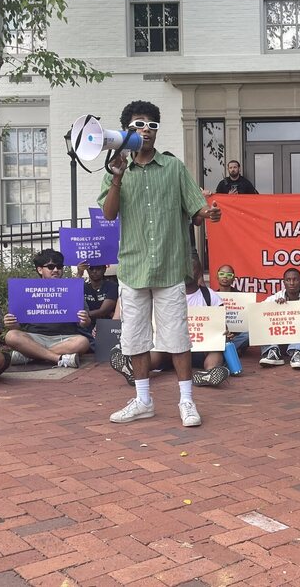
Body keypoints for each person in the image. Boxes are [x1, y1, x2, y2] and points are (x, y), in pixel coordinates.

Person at [101, 99, 221, 428]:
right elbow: (109, 214)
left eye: (152, 125)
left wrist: (207, 213)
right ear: (128, 131)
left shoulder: (173, 167)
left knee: (176, 338)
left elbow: (195, 209)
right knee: (136, 338)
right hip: (134, 268)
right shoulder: (117, 169)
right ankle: (143, 400)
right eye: (139, 125)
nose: (147, 131)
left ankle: (186, 401)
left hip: (170, 268)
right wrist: (116, 177)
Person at [3, 249, 91, 368]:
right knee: (11, 335)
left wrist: (85, 320)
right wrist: (11, 323)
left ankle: (29, 355)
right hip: (34, 338)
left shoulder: (72, 289)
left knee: (82, 342)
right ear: (40, 269)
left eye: (59, 266)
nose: (55, 270)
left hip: (64, 338)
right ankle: (57, 358)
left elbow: (85, 323)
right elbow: (18, 327)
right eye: (50, 267)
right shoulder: (26, 291)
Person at [150, 259, 231, 387]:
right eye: (184, 270)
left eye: (191, 270)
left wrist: (224, 330)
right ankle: (136, 371)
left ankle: (209, 374)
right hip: (172, 349)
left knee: (216, 352)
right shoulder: (169, 296)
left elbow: (221, 322)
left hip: (201, 348)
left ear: (199, 273)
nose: (187, 274)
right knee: (155, 352)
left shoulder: (209, 295)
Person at [259, 267, 300, 370]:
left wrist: (291, 306)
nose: (291, 283)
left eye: (295, 279)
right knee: (265, 322)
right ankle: (273, 352)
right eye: (288, 280)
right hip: (280, 341)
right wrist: (275, 306)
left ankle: (297, 354)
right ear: (284, 282)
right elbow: (260, 309)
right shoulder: (278, 296)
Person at [215, 264, 250, 355]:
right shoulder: (212, 296)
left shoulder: (241, 297)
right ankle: (232, 350)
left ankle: (227, 349)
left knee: (249, 333)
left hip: (237, 336)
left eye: (229, 275)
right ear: (217, 276)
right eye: (222, 274)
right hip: (220, 335)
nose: (225, 277)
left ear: (233, 278)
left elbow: (246, 321)